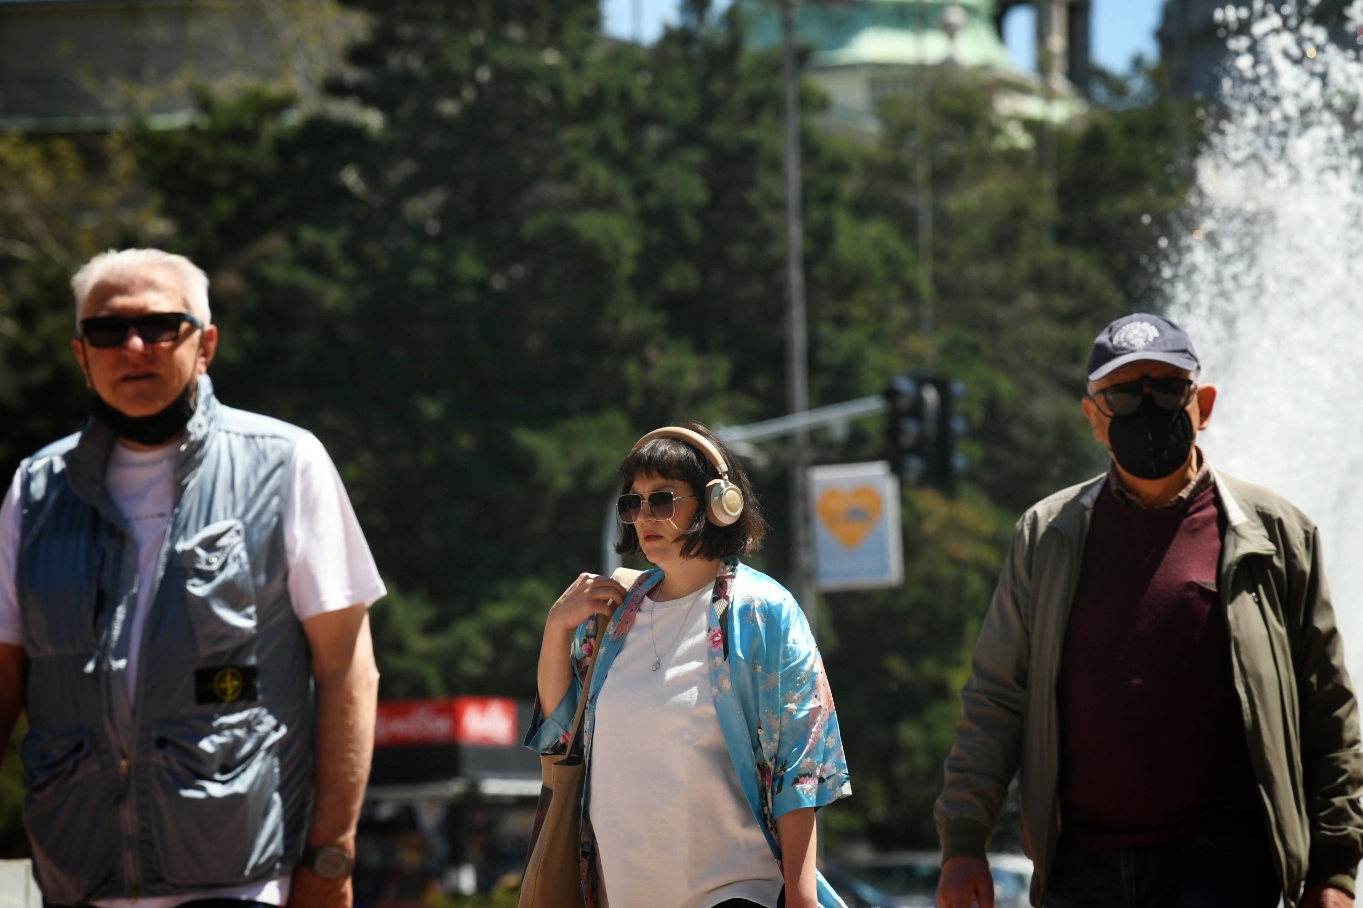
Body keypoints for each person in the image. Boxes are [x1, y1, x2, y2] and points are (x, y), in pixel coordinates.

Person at [934, 312, 1363, 908]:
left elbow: (1329, 709)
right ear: (1093, 417)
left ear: (1202, 404)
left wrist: (1335, 869)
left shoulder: (1279, 534)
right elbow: (997, 698)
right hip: (1080, 867)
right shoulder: (1047, 534)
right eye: (1123, 395)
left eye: (1166, 389)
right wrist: (962, 841)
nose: (1148, 407)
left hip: (1228, 865)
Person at [0, 249, 386, 908]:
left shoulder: (285, 464)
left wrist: (331, 855)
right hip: (77, 881)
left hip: (241, 881)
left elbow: (347, 670)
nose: (133, 346)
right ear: (80, 355)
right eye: (107, 331)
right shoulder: (34, 490)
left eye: (159, 327)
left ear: (204, 344)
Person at [527, 424, 852, 908]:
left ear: (718, 503)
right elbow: (560, 741)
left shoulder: (762, 611)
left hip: (736, 894)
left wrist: (803, 900)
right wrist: (556, 630)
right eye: (632, 503)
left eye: (662, 499)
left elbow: (800, 771)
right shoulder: (615, 619)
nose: (643, 515)